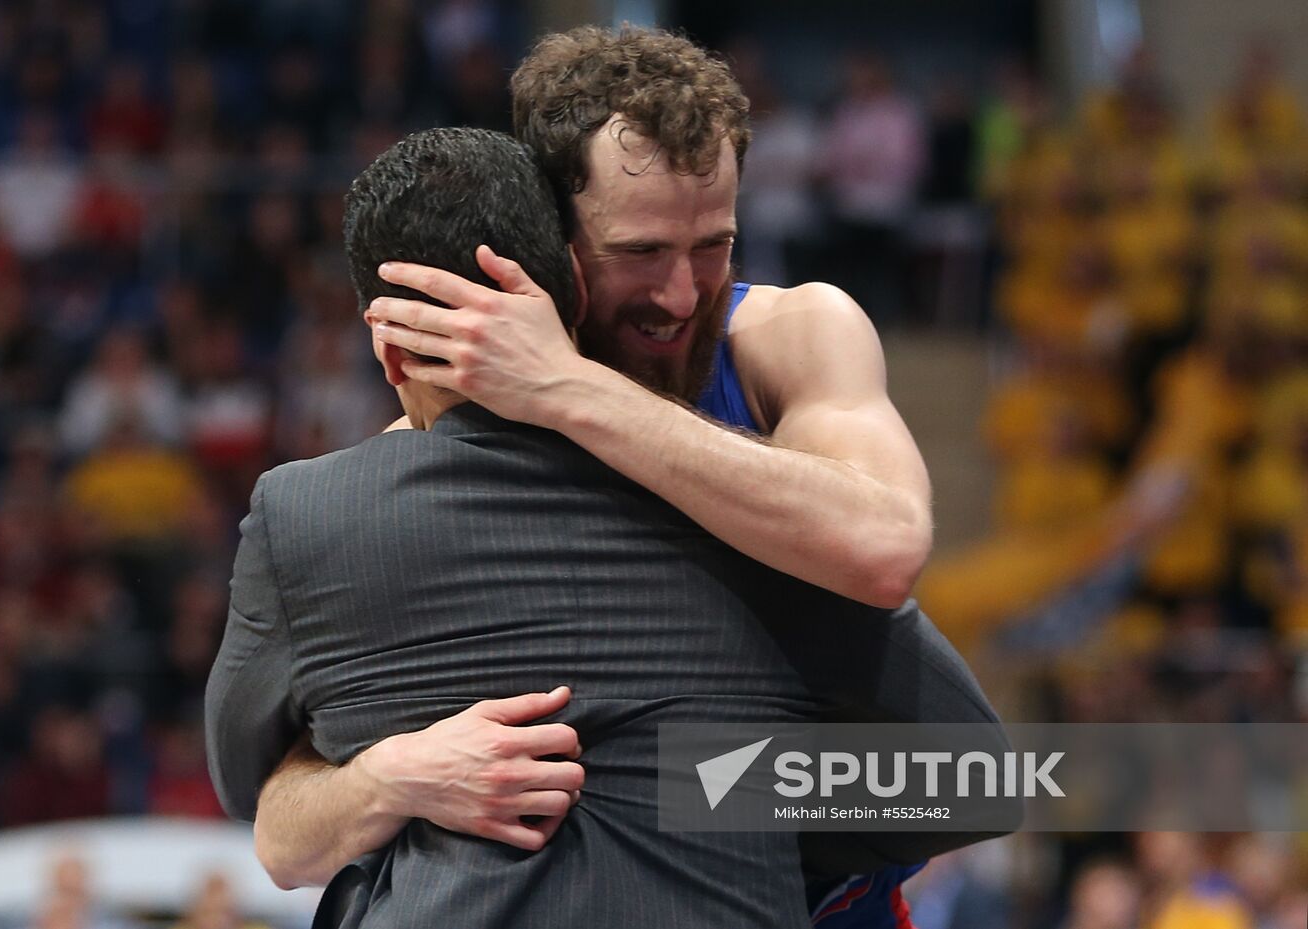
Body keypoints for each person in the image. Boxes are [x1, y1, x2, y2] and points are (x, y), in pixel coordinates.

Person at [255, 26, 1010, 927]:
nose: (685, 294)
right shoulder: (434, 448)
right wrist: (386, 778)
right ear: (553, 235)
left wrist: (572, 389)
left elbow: (884, 547)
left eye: (715, 245)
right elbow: (282, 837)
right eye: (643, 252)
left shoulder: (789, 333)